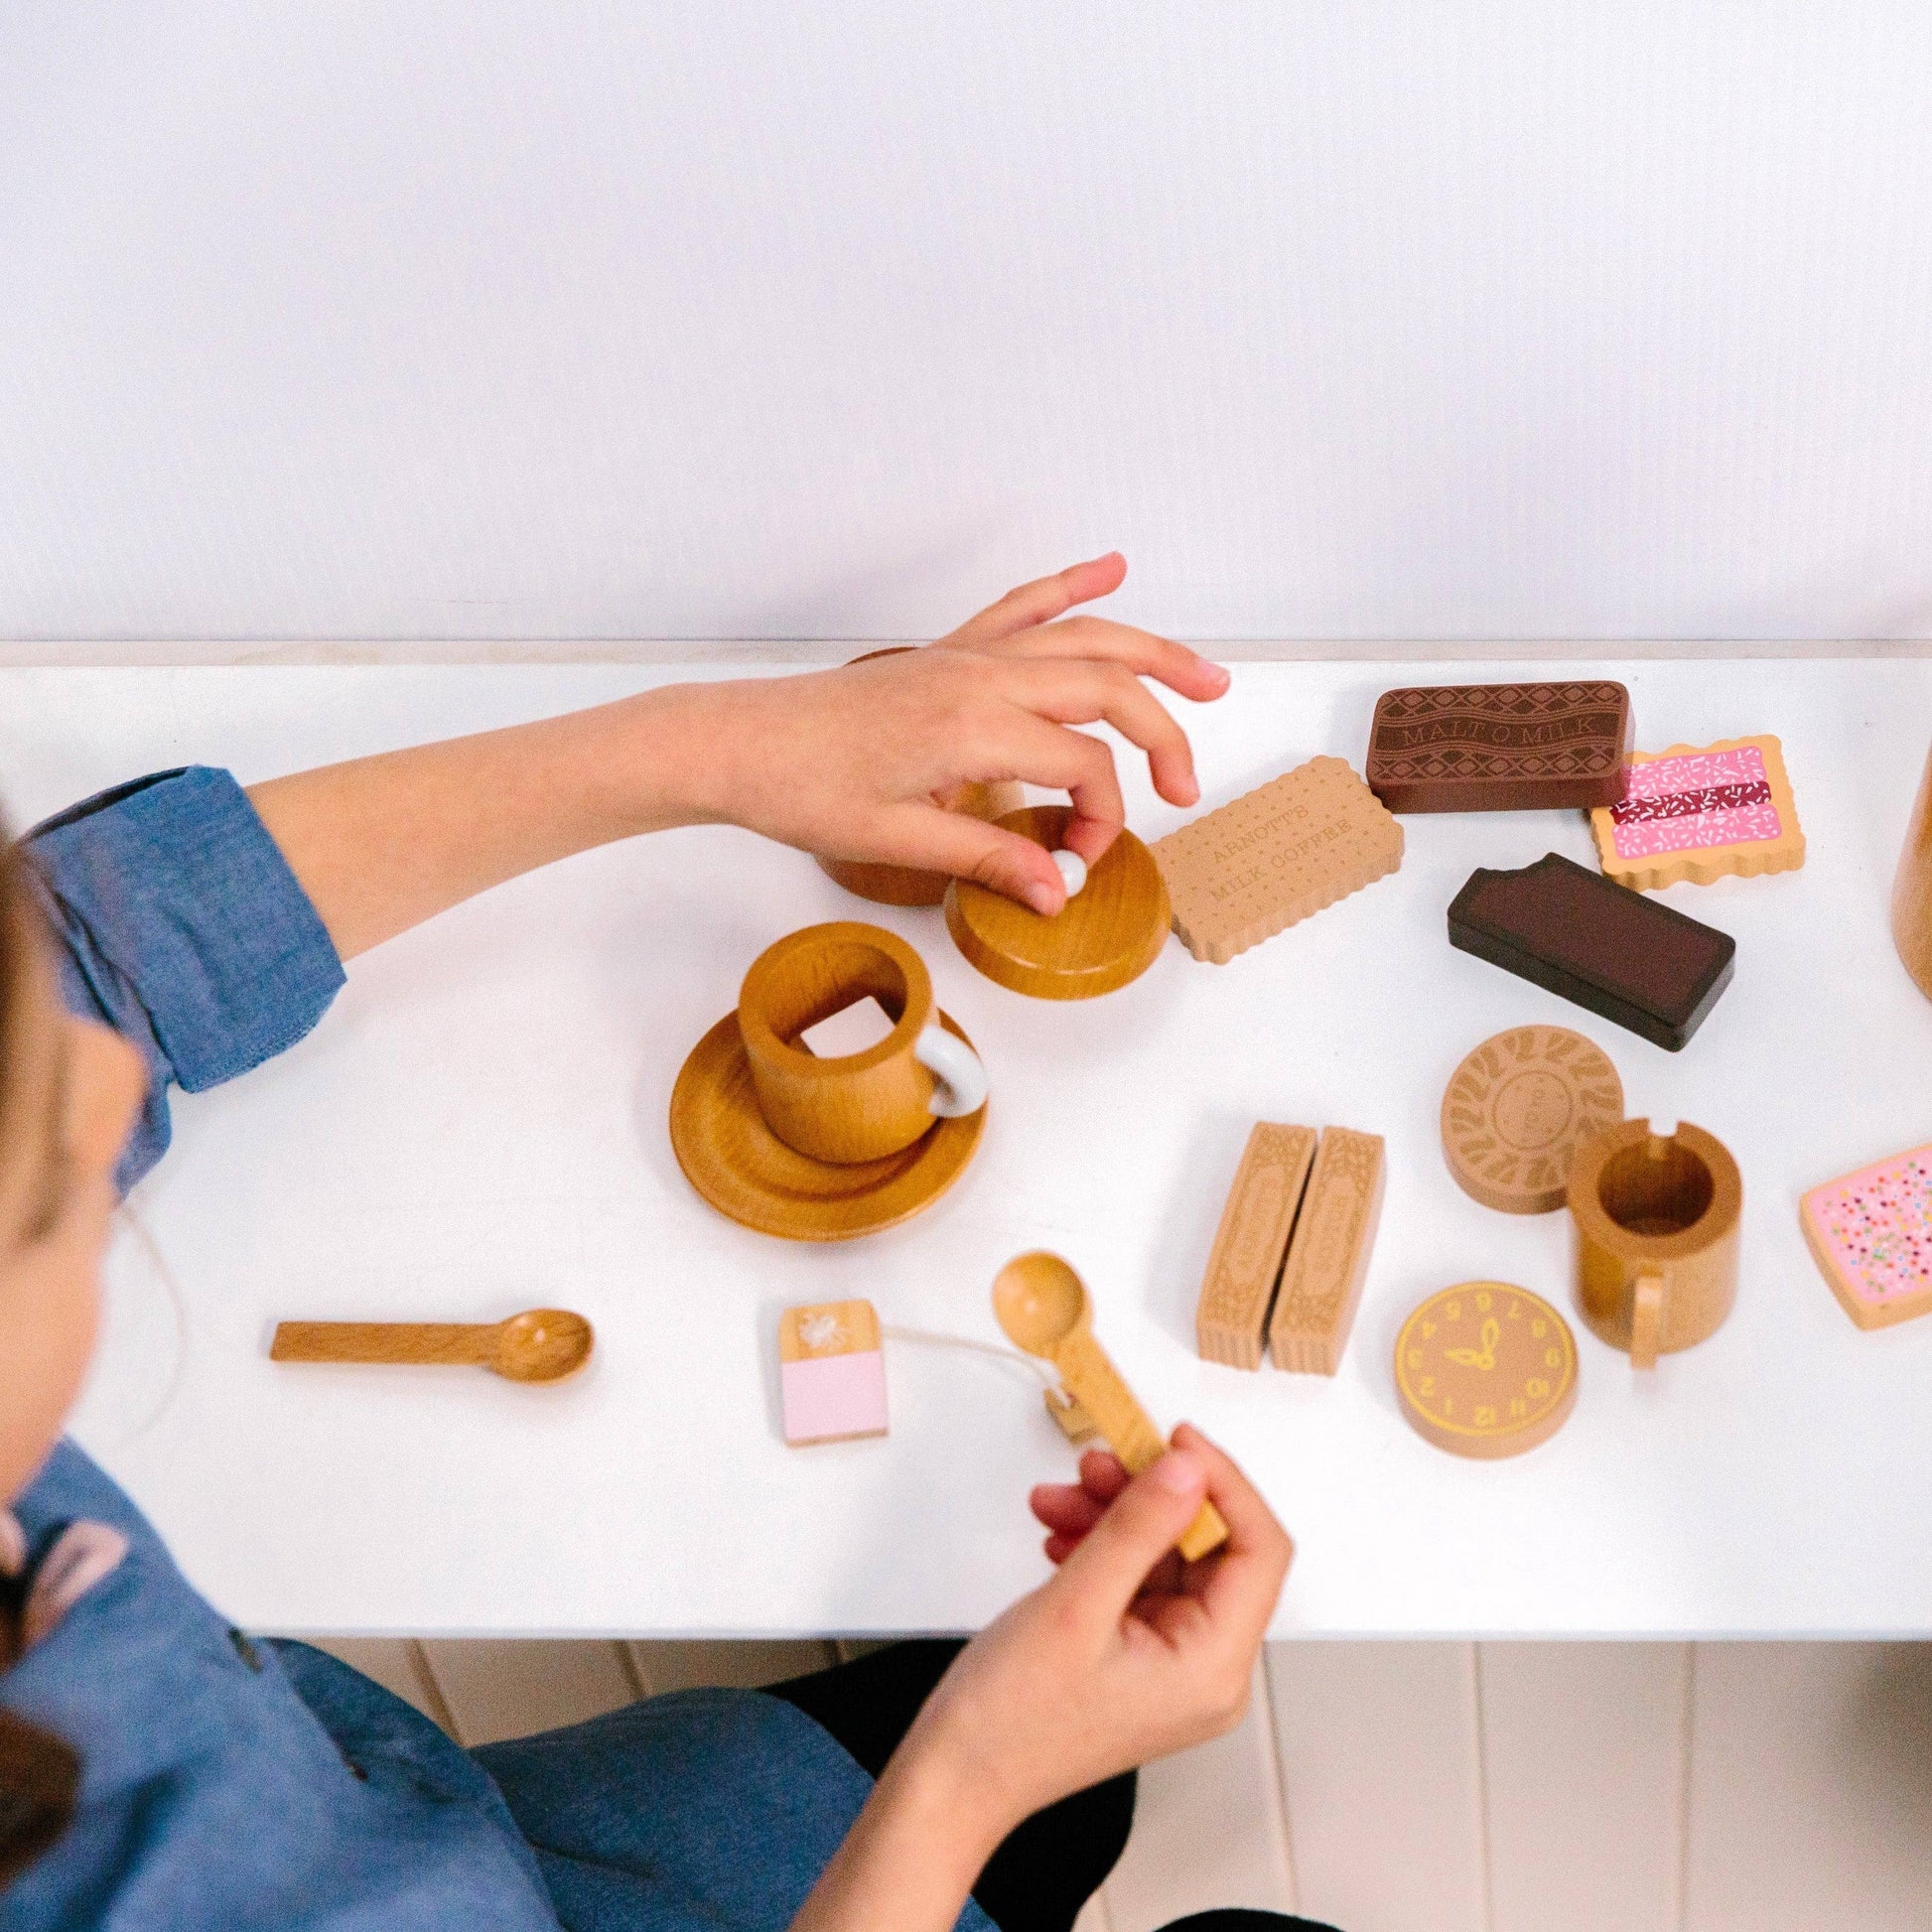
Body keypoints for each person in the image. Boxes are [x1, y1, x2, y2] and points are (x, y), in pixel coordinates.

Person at [0, 557, 1334, 1932]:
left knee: (1081, 1800)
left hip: (572, 1850)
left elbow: (92, 962)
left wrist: (716, 742)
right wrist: (962, 1783)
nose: (107, 1091)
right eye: (44, 1192)